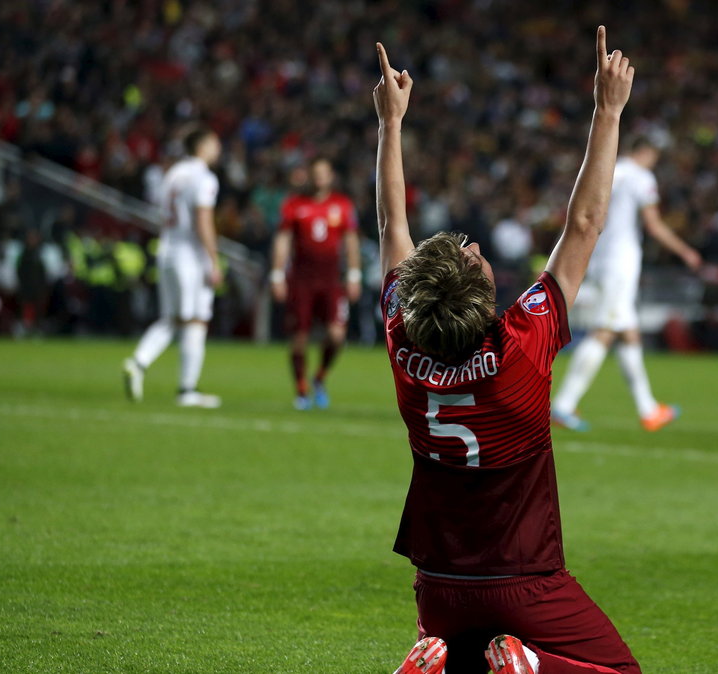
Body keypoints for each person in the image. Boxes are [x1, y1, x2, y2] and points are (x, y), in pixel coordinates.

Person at [375, 31, 641, 674]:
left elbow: (391, 227)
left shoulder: (405, 343)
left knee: (467, 660)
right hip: (525, 576)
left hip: (437, 581)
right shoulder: (522, 346)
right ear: (487, 288)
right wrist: (608, 112)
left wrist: (390, 124)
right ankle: (531, 666)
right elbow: (584, 226)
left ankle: (439, 660)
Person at [551, 136, 701, 432]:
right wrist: (685, 251)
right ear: (647, 151)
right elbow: (653, 224)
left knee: (628, 331)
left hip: (600, 258)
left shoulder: (610, 170)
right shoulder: (640, 177)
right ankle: (563, 405)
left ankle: (648, 409)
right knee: (605, 330)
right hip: (620, 262)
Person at [122, 129, 223, 408]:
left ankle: (138, 362)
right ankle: (187, 389)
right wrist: (214, 260)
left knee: (172, 318)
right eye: (214, 143)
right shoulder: (204, 177)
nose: (218, 149)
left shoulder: (173, 173)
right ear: (202, 146)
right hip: (190, 255)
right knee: (195, 320)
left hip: (166, 249)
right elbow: (203, 221)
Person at [269, 157, 362, 409]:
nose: (319, 177)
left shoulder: (342, 205)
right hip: (301, 281)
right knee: (299, 337)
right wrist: (277, 274)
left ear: (331, 176)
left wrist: (354, 275)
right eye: (315, 172)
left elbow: (351, 241)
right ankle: (301, 388)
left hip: (331, 281)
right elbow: (283, 240)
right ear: (309, 175)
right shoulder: (293, 205)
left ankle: (319, 377)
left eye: (324, 172)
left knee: (336, 334)